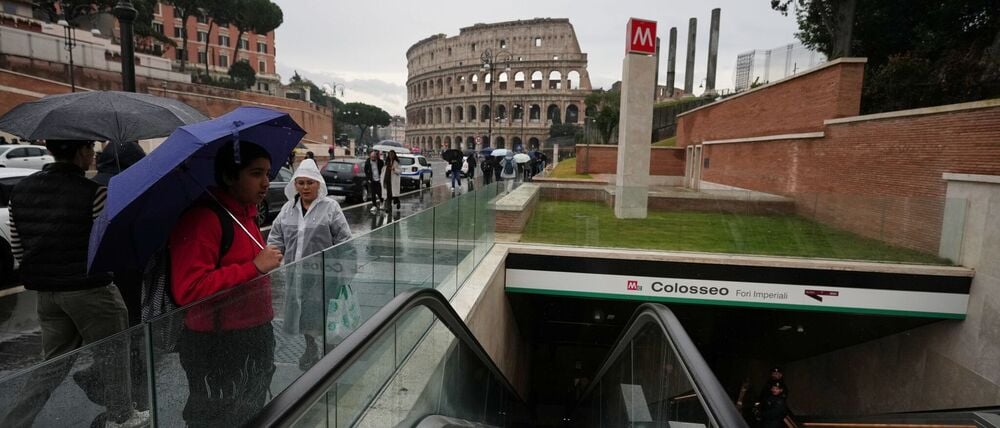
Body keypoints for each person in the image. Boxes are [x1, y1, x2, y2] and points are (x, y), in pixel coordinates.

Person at [4, 140, 146, 427]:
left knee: (51, 365)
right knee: (113, 354)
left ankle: (15, 421)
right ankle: (122, 416)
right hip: (91, 291)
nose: (93, 154)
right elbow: (105, 247)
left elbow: (18, 249)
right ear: (80, 151)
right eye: (90, 148)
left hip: (47, 293)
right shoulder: (94, 193)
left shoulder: (20, 191)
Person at [168, 141, 282, 427]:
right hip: (217, 344)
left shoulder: (246, 215)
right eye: (256, 174)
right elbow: (189, 289)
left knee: (251, 410)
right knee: (217, 417)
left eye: (268, 174)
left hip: (253, 335)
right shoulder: (204, 219)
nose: (266, 183)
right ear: (230, 177)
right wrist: (254, 267)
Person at [267, 159, 352, 370]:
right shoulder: (287, 210)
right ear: (295, 184)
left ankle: (330, 350)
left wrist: (345, 270)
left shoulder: (330, 208)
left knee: (326, 311)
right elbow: (276, 238)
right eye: (301, 183)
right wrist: (274, 258)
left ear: (318, 184)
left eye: (310, 183)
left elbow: (345, 240)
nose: (305, 187)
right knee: (302, 311)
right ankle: (310, 346)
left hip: (326, 273)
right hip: (297, 273)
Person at [382, 150, 402, 214]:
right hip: (387, 180)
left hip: (394, 182)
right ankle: (388, 208)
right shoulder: (386, 162)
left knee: (394, 196)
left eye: (392, 154)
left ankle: (398, 202)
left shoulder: (396, 162)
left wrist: (394, 169)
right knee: (388, 196)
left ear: (394, 155)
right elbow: (383, 171)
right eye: (390, 154)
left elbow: (400, 171)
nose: (391, 156)